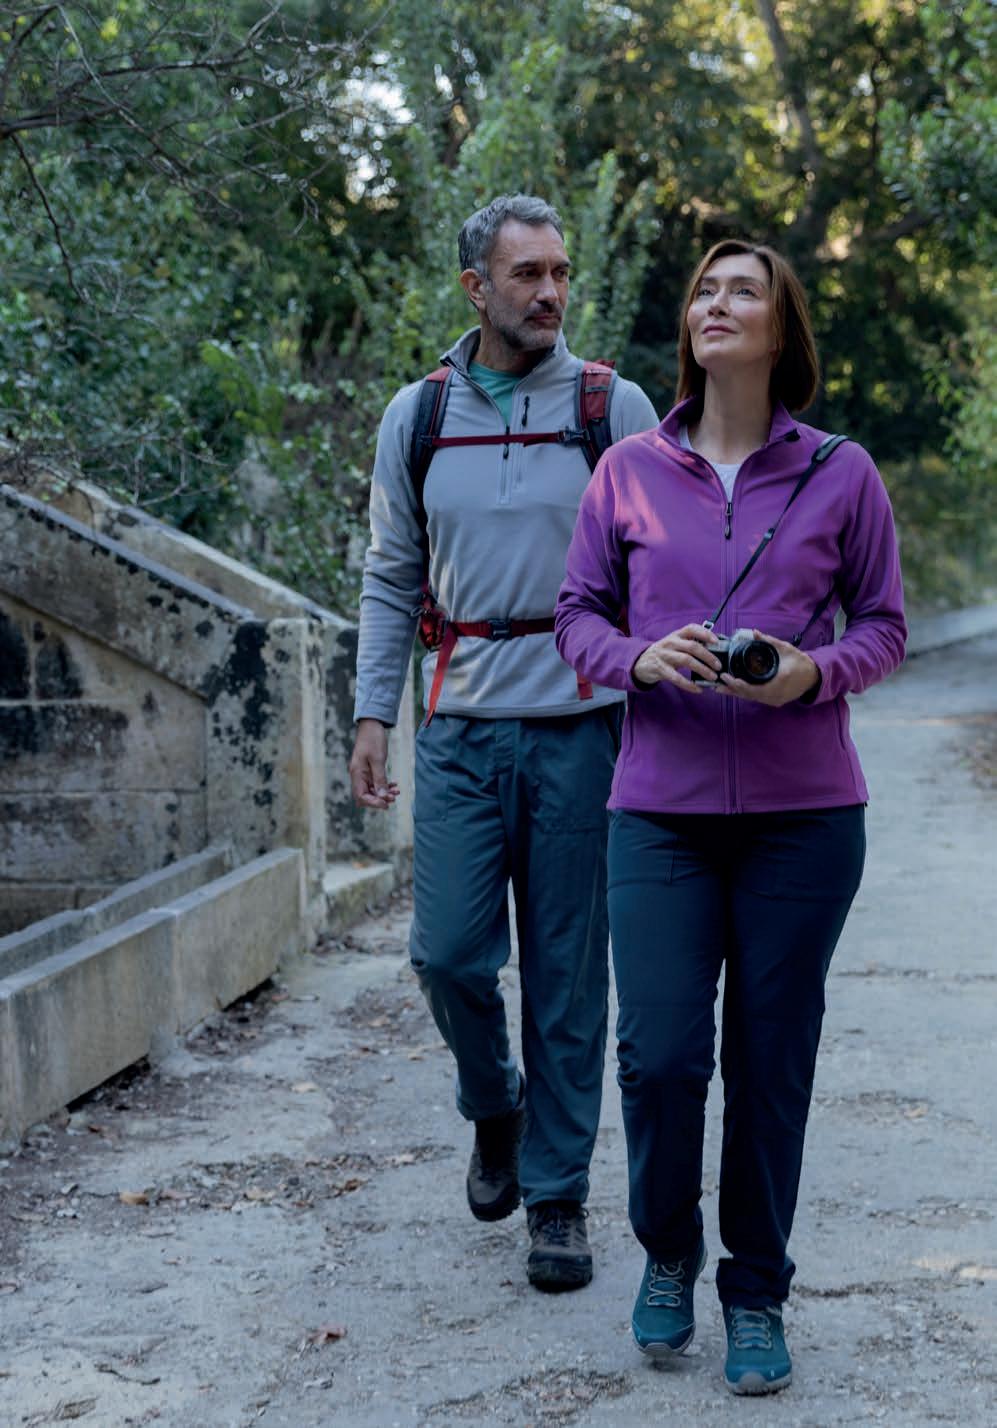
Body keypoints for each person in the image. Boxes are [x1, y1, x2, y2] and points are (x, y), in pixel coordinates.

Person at [554, 239, 906, 1387]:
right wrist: (637, 658)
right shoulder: (628, 471)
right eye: (704, 290)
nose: (715, 302)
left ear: (780, 326)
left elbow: (884, 627)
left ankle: (756, 1290)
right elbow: (575, 616)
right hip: (658, 810)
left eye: (741, 290)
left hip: (805, 816)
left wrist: (810, 674)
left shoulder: (841, 473)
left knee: (770, 1061)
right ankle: (668, 1252)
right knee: (658, 1054)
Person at [349, 194, 658, 1292]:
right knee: (446, 956)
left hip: (582, 732)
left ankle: (557, 1199)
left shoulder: (611, 407)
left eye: (560, 271)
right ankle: (495, 1106)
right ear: (476, 288)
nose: (550, 292)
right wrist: (373, 713)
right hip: (461, 730)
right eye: (527, 274)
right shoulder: (418, 416)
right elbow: (391, 574)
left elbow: (663, 568)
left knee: (568, 980)